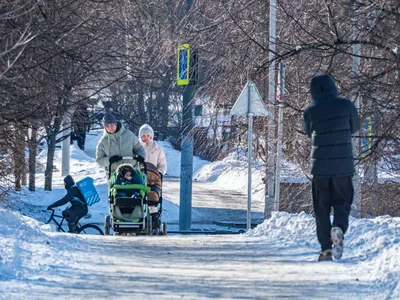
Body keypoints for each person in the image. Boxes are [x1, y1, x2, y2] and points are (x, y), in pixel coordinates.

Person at [303, 74, 361, 261]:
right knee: (342, 203)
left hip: (319, 168)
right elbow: (355, 128)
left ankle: (326, 249)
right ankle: (339, 228)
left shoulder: (311, 110)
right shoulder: (346, 106)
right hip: (343, 167)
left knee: (321, 209)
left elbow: (307, 131)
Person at [96, 113, 146, 181]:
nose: (110, 128)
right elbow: (99, 159)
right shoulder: (103, 142)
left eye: (112, 125)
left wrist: (141, 156)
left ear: (115, 124)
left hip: (132, 171)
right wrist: (109, 160)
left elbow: (139, 148)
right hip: (114, 174)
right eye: (107, 126)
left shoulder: (129, 135)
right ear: (105, 128)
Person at [139, 124, 167, 233]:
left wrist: (160, 172)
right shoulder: (137, 146)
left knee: (153, 198)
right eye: (143, 136)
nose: (145, 138)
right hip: (140, 177)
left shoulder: (157, 148)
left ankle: (154, 220)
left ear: (151, 136)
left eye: (147, 135)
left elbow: (162, 162)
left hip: (153, 178)